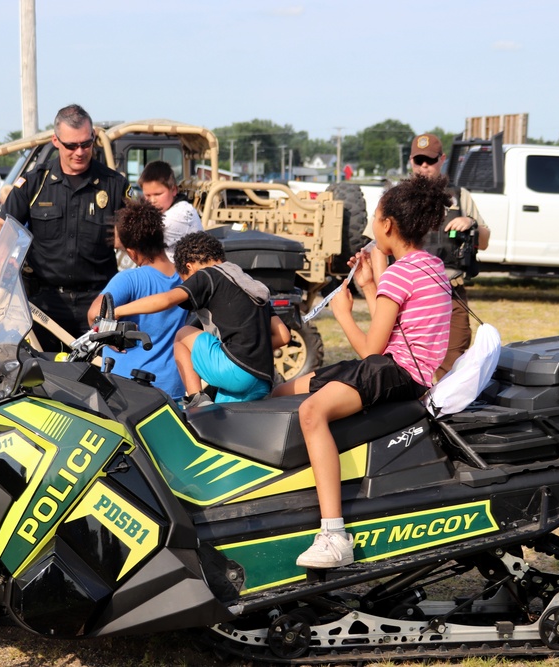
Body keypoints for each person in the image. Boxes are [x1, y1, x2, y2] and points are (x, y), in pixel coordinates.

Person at [272, 176, 453, 569]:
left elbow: (372, 351)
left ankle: (334, 535)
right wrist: (373, 285)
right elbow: (395, 329)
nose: (372, 225)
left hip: (396, 373)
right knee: (285, 390)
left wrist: (343, 313)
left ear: (387, 224)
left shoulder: (403, 273)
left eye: (375, 217)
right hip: (400, 370)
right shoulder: (431, 265)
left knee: (310, 411)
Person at [0, 104, 130, 350]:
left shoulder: (114, 184)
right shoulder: (34, 183)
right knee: (43, 378)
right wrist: (0, 256)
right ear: (56, 141)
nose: (80, 152)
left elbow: (139, 240)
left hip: (98, 302)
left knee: (103, 378)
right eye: (71, 145)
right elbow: (1, 225)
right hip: (46, 305)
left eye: (86, 144)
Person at [113, 231, 289, 407]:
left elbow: (166, 300)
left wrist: (118, 311)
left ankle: (196, 398)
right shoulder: (248, 284)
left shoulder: (207, 275)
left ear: (190, 267)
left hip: (233, 370)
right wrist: (250, 351)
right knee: (223, 426)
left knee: (182, 336)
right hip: (261, 378)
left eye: (185, 280)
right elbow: (283, 335)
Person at [408, 133, 491, 378]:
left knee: (453, 366)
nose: (424, 166)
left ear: (442, 159)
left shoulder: (460, 196)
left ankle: (446, 414)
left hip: (450, 291)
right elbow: (378, 244)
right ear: (411, 161)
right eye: (419, 160)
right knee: (410, 367)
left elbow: (485, 241)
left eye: (430, 160)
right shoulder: (398, 197)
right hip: (412, 295)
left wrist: (471, 223)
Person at [87, 199, 189, 400]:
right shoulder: (184, 278)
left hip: (126, 390)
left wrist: (109, 335)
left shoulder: (130, 279)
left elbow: (93, 315)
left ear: (132, 252)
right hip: (171, 387)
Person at [138, 160, 203, 261]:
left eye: (158, 194)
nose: (152, 200)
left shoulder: (181, 213)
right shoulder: (161, 212)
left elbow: (137, 238)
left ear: (174, 190)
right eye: (147, 195)